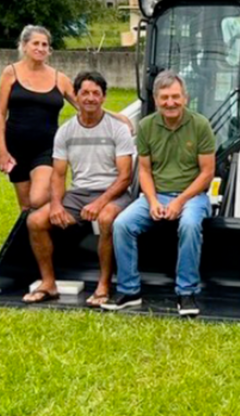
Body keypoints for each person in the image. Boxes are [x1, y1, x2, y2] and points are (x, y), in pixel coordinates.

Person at [107, 71, 216, 317]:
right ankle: (129, 290)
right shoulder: (146, 126)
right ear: (156, 100)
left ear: (185, 98)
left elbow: (207, 173)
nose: (170, 103)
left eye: (175, 97)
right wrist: (153, 200)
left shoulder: (200, 125)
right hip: (156, 195)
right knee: (122, 223)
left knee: (189, 224)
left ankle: (186, 292)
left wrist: (179, 201)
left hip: (192, 197)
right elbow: (144, 171)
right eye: (165, 97)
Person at [23, 71, 135, 306]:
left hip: (114, 192)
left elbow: (125, 177)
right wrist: (55, 205)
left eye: (96, 93)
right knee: (35, 221)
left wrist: (100, 202)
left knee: (105, 219)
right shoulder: (65, 131)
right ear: (75, 95)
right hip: (78, 194)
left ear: (104, 97)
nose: (90, 98)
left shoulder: (118, 129)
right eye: (85, 92)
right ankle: (48, 283)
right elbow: (59, 174)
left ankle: (103, 285)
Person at [0, 25, 74, 212]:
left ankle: (64, 196)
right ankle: (33, 240)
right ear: (24, 45)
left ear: (49, 49)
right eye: (35, 43)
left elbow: (85, 104)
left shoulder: (59, 78)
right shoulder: (10, 72)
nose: (40, 48)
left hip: (47, 148)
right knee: (26, 206)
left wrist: (116, 117)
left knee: (37, 199)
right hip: (16, 148)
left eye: (45, 44)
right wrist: (1, 150)